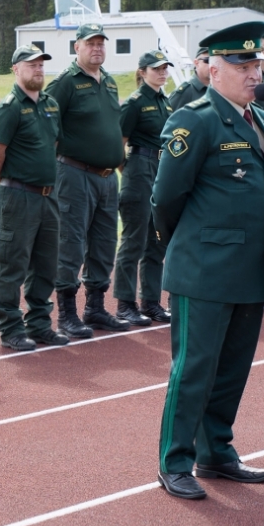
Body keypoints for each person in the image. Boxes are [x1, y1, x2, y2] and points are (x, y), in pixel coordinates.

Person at [151, 21, 264, 501]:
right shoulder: (195, 119)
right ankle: (175, 461)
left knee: (232, 367)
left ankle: (217, 452)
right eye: (245, 66)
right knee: (194, 368)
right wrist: (187, 250)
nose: (255, 75)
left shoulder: (259, 121)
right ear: (214, 68)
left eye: (259, 66)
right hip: (204, 268)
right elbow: (165, 198)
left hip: (250, 266)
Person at [44, 24, 129, 337]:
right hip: (75, 174)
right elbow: (48, 129)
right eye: (90, 43)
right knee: (71, 243)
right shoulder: (65, 83)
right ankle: (67, 313)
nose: (97, 48)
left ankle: (95, 306)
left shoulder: (108, 82)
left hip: (107, 178)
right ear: (76, 47)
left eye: (101, 43)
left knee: (105, 243)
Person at [0, 45, 68, 350]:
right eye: (31, 64)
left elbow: (54, 145)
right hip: (18, 196)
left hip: (47, 197)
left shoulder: (50, 104)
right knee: (12, 264)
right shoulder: (9, 107)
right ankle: (11, 329)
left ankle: (40, 324)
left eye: (41, 64)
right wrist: (12, 182)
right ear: (16, 69)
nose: (38, 69)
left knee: (46, 263)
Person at [113, 51, 173, 327]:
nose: (162, 73)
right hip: (139, 167)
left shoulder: (165, 102)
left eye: (164, 68)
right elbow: (119, 143)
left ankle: (150, 301)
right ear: (142, 72)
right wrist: (132, 172)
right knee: (134, 239)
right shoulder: (135, 103)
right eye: (156, 68)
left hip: (161, 170)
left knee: (156, 240)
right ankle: (125, 303)